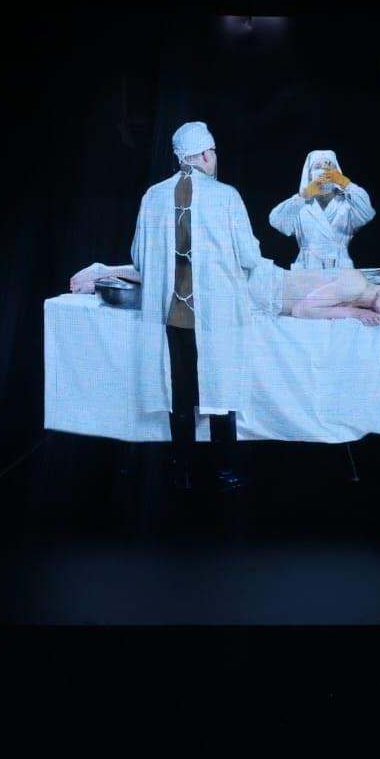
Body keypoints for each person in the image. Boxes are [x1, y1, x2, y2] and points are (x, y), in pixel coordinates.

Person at [125, 121, 265, 492]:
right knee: (221, 387)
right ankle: (225, 470)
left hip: (171, 313)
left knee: (180, 392)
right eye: (213, 152)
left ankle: (181, 471)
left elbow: (138, 257)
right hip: (215, 313)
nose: (214, 158)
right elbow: (250, 257)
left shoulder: (153, 196)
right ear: (204, 154)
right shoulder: (227, 196)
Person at [72, 261, 380, 326]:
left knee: (181, 281)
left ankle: (109, 275)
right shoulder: (357, 286)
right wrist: (353, 314)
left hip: (261, 289)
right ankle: (104, 271)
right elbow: (304, 311)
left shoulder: (375, 287)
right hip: (260, 287)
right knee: (180, 279)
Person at [268, 150, 375, 270]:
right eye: (317, 167)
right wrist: (303, 196)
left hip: (340, 268)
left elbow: (368, 212)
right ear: (310, 174)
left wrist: (346, 184)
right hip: (308, 267)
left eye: (328, 167)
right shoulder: (300, 205)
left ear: (337, 173)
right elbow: (276, 220)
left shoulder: (347, 204)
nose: (323, 171)